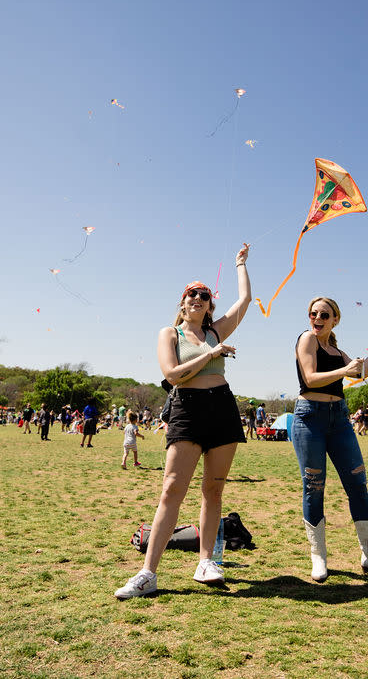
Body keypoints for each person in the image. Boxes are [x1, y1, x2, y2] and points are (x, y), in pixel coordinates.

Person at [115, 243, 251, 599]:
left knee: (214, 490)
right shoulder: (170, 333)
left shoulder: (216, 332)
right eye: (192, 294)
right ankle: (148, 573)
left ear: (209, 306)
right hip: (187, 409)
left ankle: (206, 562)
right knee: (172, 490)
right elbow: (173, 375)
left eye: (204, 296)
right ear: (182, 302)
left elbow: (246, 301)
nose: (197, 299)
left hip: (221, 406)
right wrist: (211, 354)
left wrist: (240, 265)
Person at [291, 296, 368, 582]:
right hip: (309, 419)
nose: (317, 318)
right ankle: (319, 558)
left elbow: (362, 371)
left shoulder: (335, 349)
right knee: (314, 487)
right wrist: (345, 369)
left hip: (339, 419)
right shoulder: (307, 339)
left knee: (357, 484)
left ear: (335, 320)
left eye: (324, 315)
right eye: (313, 313)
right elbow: (311, 377)